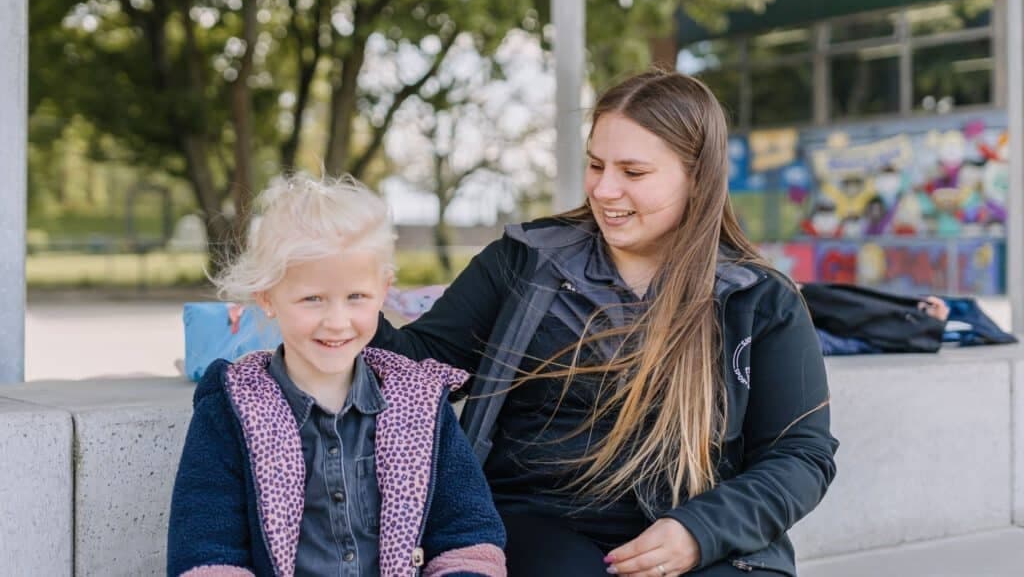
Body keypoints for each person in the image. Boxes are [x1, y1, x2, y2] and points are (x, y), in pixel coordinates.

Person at [371, 70, 838, 577]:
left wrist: (698, 532)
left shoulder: (760, 299)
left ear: (697, 177)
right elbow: (407, 368)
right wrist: (344, 300)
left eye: (633, 173)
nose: (604, 189)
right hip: (540, 525)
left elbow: (801, 454)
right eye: (596, 165)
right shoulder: (523, 261)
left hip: (705, 530)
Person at [167, 175, 506, 577]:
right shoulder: (233, 409)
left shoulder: (420, 403)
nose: (337, 321)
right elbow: (208, 551)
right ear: (267, 297)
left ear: (383, 290)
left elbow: (467, 537)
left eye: (356, 297)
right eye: (313, 299)